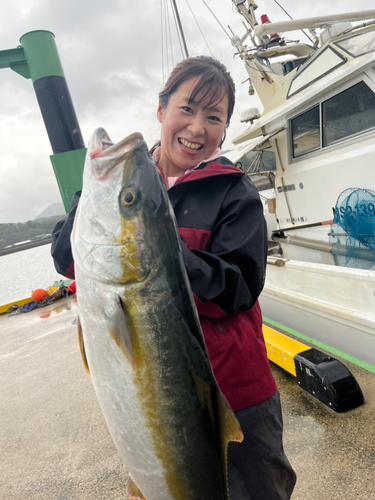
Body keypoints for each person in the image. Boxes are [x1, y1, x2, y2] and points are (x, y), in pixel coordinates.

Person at [51, 55, 296, 500]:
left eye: (213, 116)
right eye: (186, 109)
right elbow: (65, 256)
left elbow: (239, 287)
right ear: (161, 110)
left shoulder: (234, 192)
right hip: (159, 401)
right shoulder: (126, 183)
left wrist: (161, 250)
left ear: (224, 130)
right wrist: (98, 198)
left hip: (239, 395)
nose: (197, 127)